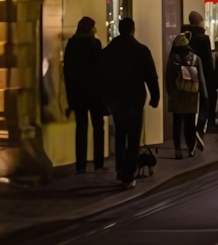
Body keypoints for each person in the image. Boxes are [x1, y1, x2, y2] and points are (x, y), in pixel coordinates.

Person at [100, 18, 159, 188]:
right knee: (133, 138)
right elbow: (151, 76)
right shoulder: (141, 50)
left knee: (120, 135)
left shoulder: (109, 51)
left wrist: (104, 99)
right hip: (134, 100)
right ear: (133, 29)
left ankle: (120, 168)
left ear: (119, 29)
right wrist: (155, 97)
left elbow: (101, 77)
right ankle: (129, 173)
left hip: (116, 100)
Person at [63, 17, 105, 174]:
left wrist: (70, 96)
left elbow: (67, 71)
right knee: (98, 127)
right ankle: (98, 163)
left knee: (81, 128)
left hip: (78, 94)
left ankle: (80, 165)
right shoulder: (95, 44)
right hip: (94, 94)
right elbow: (100, 70)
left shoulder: (71, 44)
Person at [165, 33, 204, 158]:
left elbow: (168, 78)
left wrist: (170, 92)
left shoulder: (173, 58)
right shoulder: (195, 58)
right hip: (191, 94)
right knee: (190, 122)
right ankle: (191, 148)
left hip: (177, 95)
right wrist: (204, 94)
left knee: (177, 123)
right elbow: (201, 79)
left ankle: (178, 150)